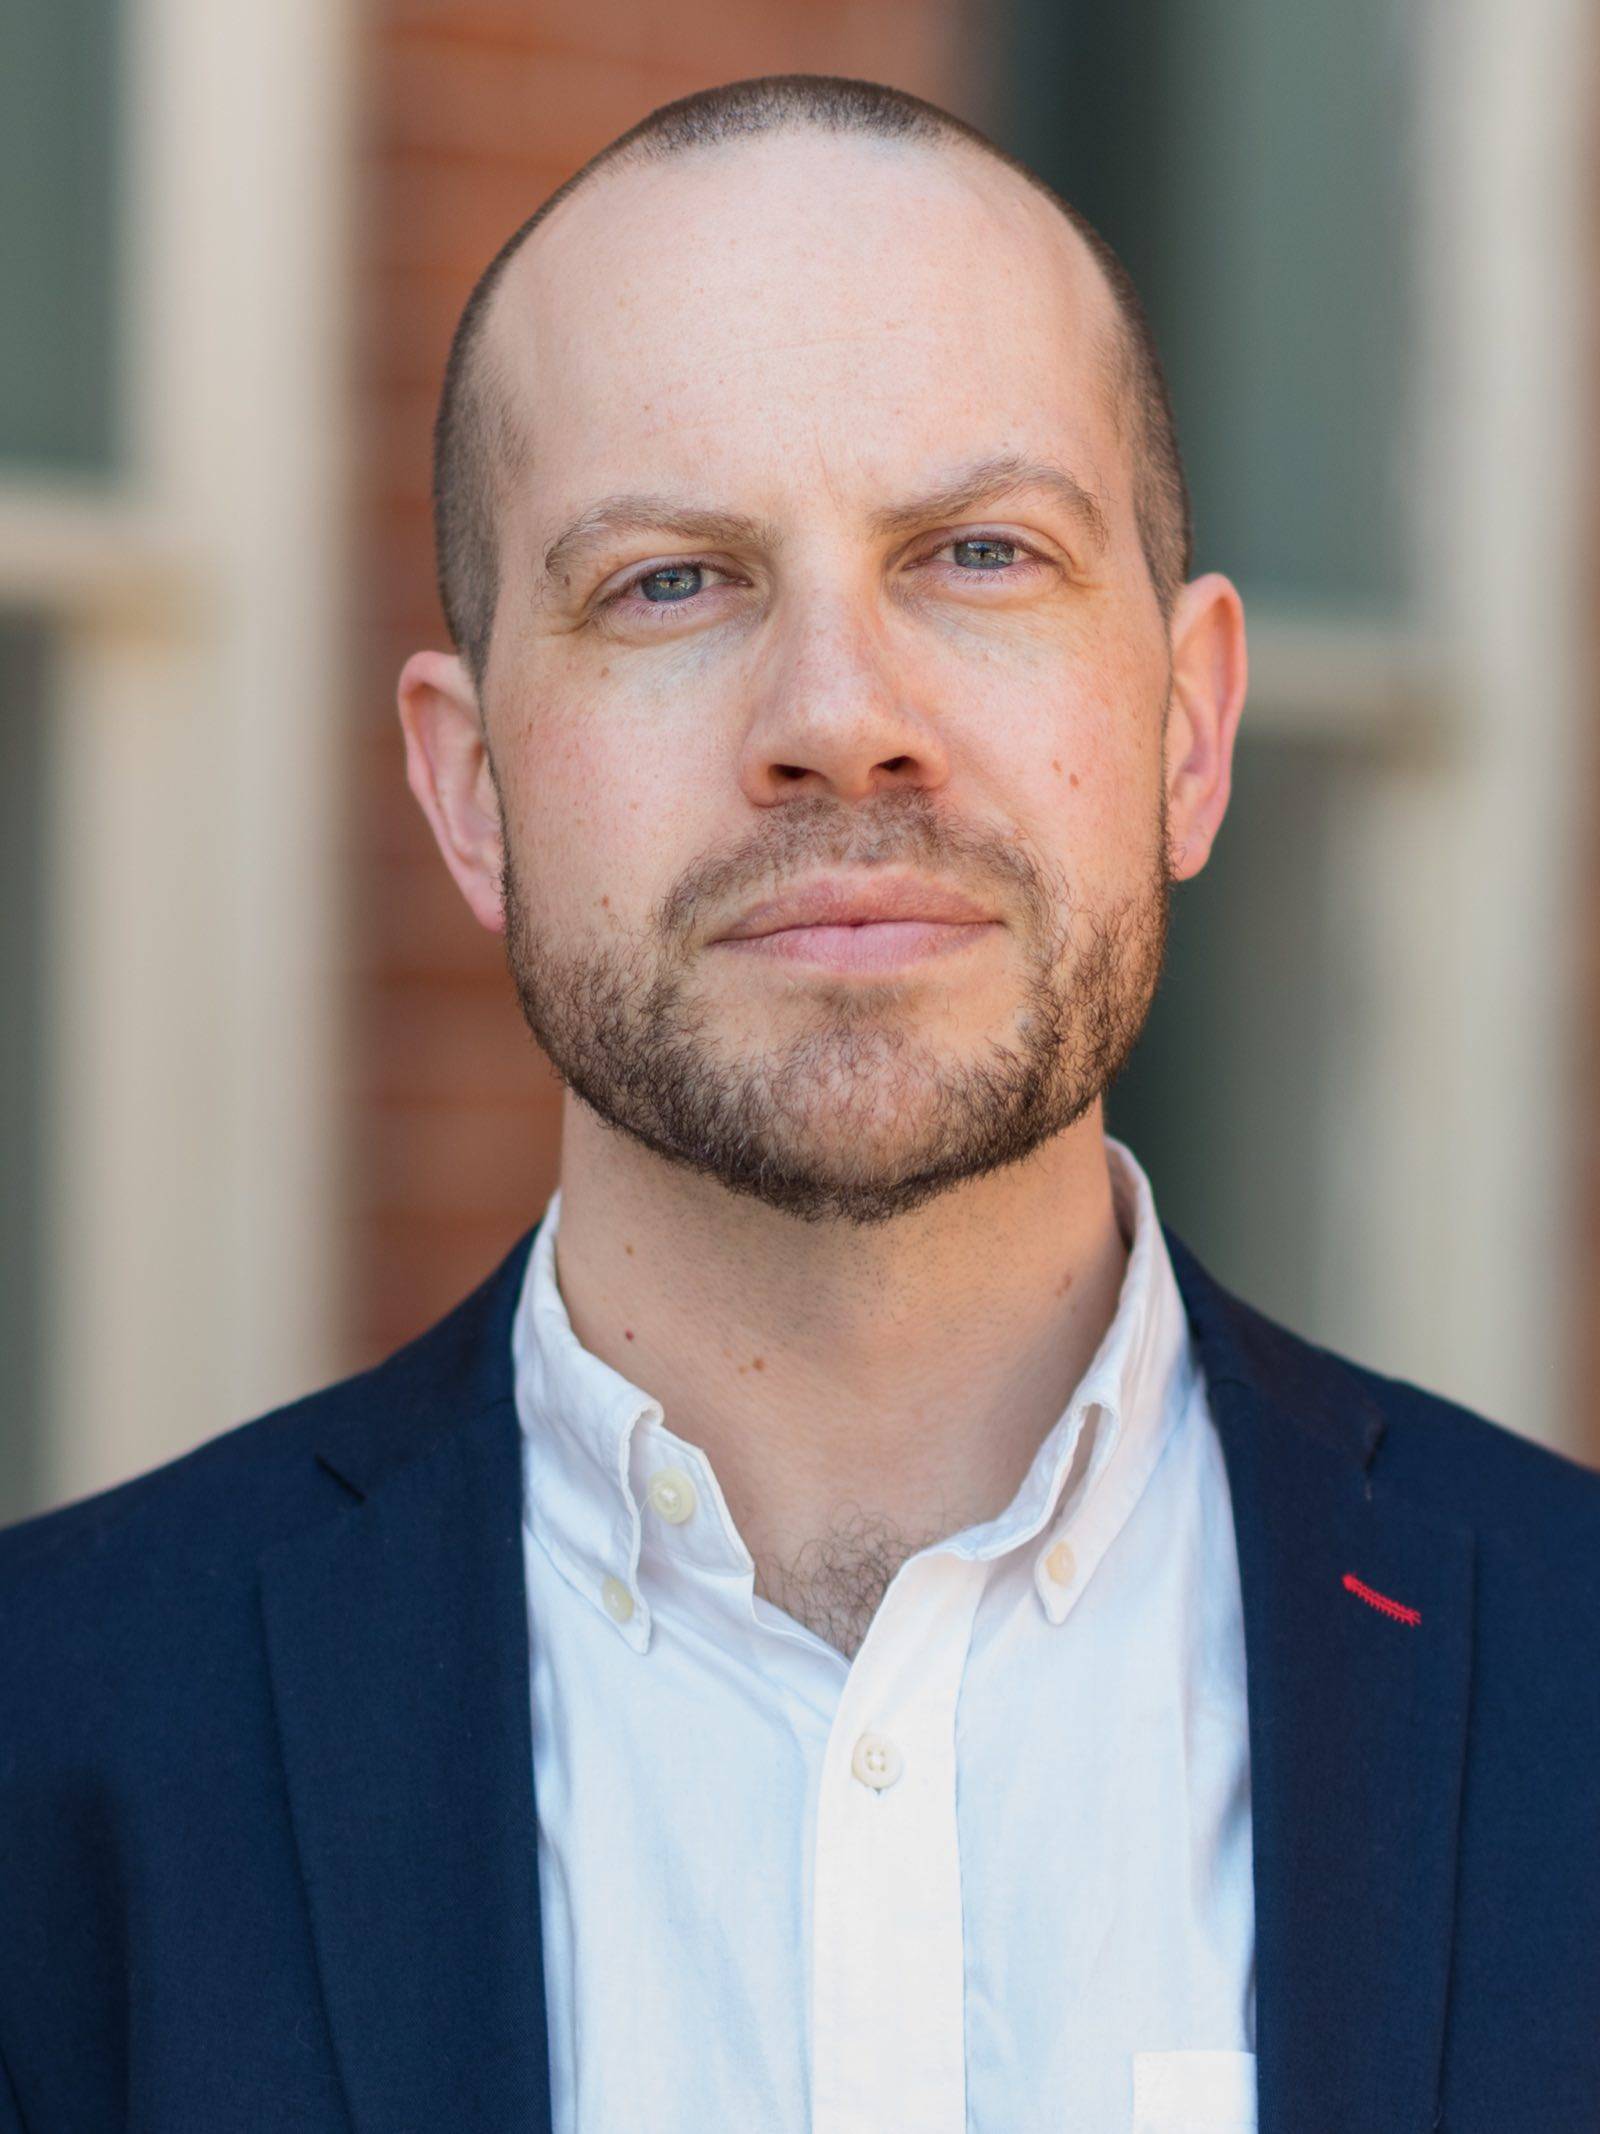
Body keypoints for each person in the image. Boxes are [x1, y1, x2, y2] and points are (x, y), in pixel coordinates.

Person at [1, 71, 1596, 2134]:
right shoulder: (52, 1747)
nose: (840, 721)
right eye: (670, 582)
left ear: (1189, 729)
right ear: (467, 785)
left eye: (978, 553)